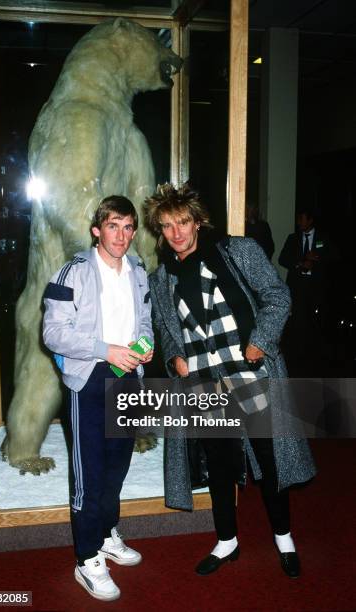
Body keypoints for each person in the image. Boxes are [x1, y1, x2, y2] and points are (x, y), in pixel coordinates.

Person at [145, 183, 315, 578]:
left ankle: (283, 537)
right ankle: (227, 541)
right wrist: (174, 358)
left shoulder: (238, 251)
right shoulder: (161, 278)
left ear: (198, 221)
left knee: (271, 460)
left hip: (247, 374)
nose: (177, 233)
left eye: (183, 222)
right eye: (168, 226)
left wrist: (260, 340)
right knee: (219, 464)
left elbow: (277, 295)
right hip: (204, 381)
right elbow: (167, 330)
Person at [43, 195, 153, 601]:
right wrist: (106, 350)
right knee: (88, 474)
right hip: (89, 379)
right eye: (113, 226)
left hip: (128, 378)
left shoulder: (138, 271)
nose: (121, 236)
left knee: (116, 466)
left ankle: (106, 534)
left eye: (127, 227)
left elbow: (145, 321)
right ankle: (86, 556)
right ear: (97, 229)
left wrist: (146, 346)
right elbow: (53, 333)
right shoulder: (73, 272)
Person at [279, 208, 339, 375]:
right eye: (298, 219)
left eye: (302, 219)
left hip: (316, 286)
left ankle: (315, 354)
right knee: (297, 319)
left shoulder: (322, 238)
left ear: (310, 220)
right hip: (298, 285)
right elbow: (282, 258)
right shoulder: (293, 238)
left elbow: (334, 256)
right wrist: (300, 262)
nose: (299, 223)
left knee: (315, 319)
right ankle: (298, 355)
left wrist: (317, 257)